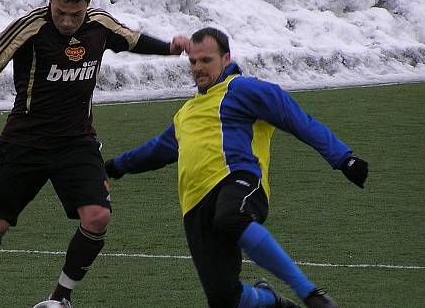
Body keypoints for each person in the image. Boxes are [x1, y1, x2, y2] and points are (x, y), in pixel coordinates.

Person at [0, 0, 190, 308]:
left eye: (75, 13)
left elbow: (133, 40)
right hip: (23, 142)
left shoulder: (100, 24)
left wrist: (171, 49)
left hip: (76, 142)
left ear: (88, 2)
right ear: (49, 0)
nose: (67, 21)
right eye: (60, 12)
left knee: (98, 217)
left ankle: (60, 298)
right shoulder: (30, 26)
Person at [104, 27, 369, 308]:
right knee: (224, 298)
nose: (198, 68)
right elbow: (158, 149)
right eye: (193, 62)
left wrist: (343, 158)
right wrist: (114, 166)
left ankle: (310, 294)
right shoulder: (186, 112)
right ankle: (273, 302)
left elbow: (298, 120)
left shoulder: (243, 88)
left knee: (231, 218)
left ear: (226, 58)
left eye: (206, 60)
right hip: (194, 207)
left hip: (237, 180)